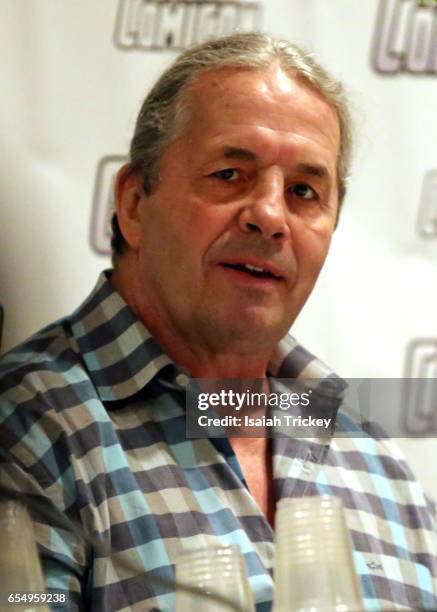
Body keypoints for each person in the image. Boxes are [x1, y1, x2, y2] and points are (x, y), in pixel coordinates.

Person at [0, 32, 436, 611]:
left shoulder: (377, 463)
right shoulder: (30, 431)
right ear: (134, 203)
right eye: (230, 174)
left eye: (304, 191)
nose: (270, 216)